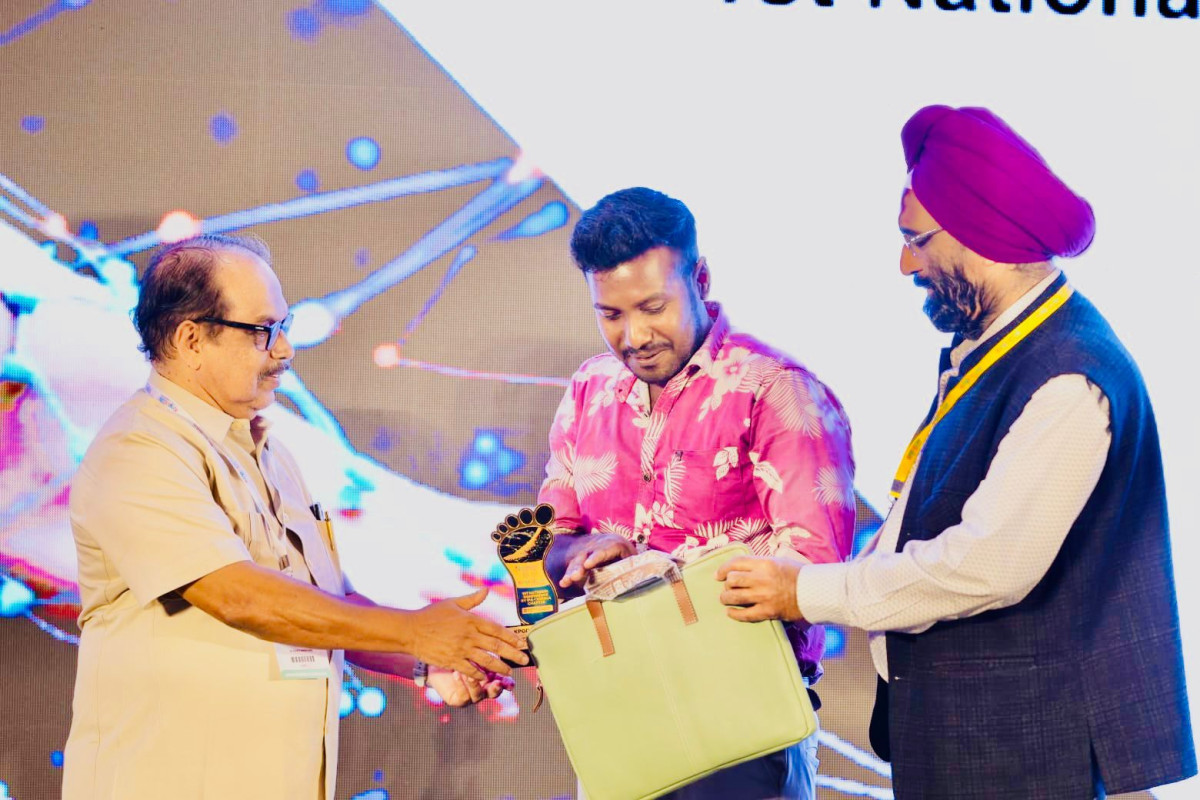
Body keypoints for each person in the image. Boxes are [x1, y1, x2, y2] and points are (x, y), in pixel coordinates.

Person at [716, 105, 1197, 799]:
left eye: (917, 240)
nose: (904, 263)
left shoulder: (1067, 376)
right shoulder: (998, 348)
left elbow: (985, 567)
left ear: (980, 233)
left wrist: (804, 591)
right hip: (971, 743)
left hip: (1020, 757)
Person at [61, 234, 527, 800]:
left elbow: (327, 604)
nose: (284, 350)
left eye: (283, 326)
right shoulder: (139, 450)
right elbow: (238, 596)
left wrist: (424, 661)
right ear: (191, 339)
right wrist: (415, 632)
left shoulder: (272, 454)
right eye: (263, 330)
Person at [538, 187, 856, 799]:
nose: (633, 336)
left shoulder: (777, 390)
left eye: (652, 307)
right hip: (618, 715)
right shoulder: (589, 390)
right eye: (611, 315)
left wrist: (661, 574)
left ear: (700, 278)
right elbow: (548, 545)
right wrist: (580, 551)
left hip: (744, 719)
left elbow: (817, 577)